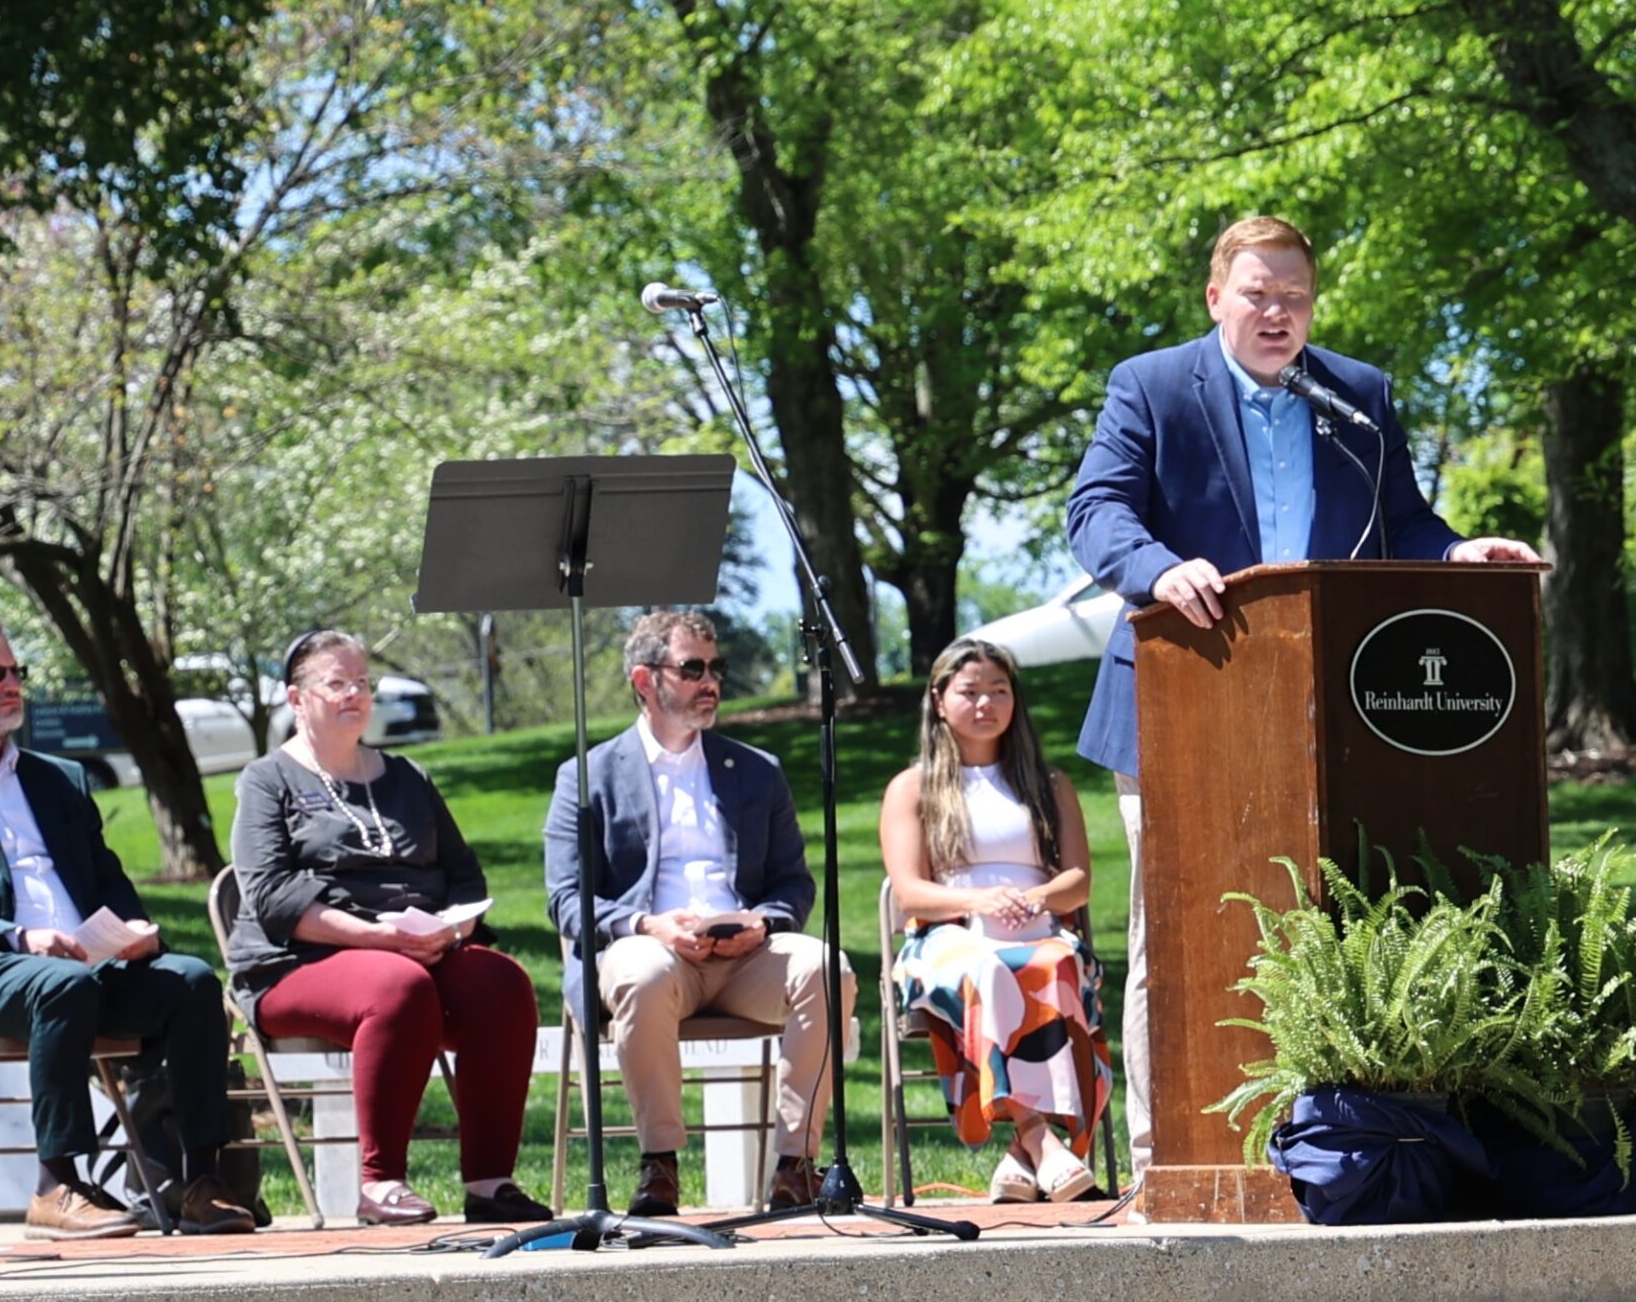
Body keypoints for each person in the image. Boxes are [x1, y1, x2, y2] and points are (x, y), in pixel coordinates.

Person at [1067, 213, 1541, 1174]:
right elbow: (1096, 512)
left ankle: (1337, 1144)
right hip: (1185, 702)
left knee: (1336, 921)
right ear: (1216, 298)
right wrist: (1158, 571)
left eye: (1295, 297)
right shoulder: (1153, 386)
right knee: (1184, 937)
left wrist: (1455, 552)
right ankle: (1175, 1157)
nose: (1277, 313)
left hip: (1334, 718)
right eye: (1257, 294)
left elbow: (1398, 519)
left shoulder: (1353, 394)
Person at [0, 614, 256, 1240]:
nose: (12, 684)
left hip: (87, 966)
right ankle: (56, 1185)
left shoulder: (59, 779)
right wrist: (17, 938)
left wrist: (134, 927)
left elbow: (106, 880)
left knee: (190, 981)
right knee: (59, 984)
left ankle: (197, 1179)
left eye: (17, 672)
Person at [225, 629, 548, 1227]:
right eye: (336, 682)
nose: (355, 694)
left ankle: (489, 1181)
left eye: (362, 682)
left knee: (502, 984)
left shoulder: (408, 778)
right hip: (295, 962)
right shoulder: (267, 780)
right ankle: (382, 1184)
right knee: (396, 986)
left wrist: (450, 933)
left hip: (420, 948)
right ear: (297, 700)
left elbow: (466, 881)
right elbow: (270, 895)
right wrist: (381, 939)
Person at [542, 608, 856, 1217]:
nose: (709, 681)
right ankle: (658, 1165)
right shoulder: (588, 776)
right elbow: (566, 898)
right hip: (651, 948)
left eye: (717, 668)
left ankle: (796, 1167)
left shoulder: (756, 771)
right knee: (641, 971)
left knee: (828, 969)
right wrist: (646, 925)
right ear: (644, 680)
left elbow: (794, 882)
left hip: (746, 956)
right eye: (692, 668)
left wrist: (763, 923)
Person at [881, 637, 1109, 1201]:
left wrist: (1035, 899)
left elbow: (1077, 880)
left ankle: (1020, 1155)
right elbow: (909, 894)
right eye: (970, 691)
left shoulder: (1048, 784)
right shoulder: (913, 788)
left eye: (999, 691)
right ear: (939, 701)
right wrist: (982, 903)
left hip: (1039, 931)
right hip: (947, 940)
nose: (986, 703)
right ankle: (1041, 1139)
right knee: (988, 969)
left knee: (1057, 963)